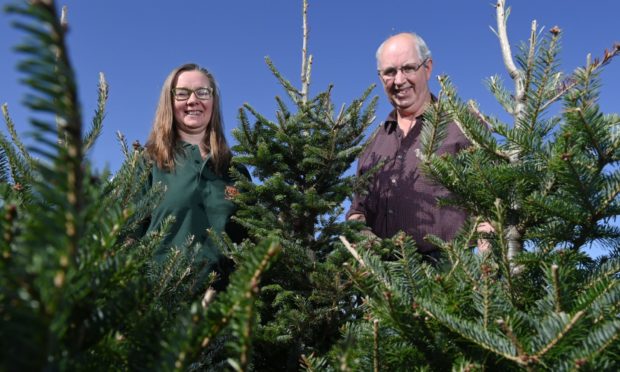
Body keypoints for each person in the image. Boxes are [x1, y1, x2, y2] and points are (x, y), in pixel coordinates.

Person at [347, 32, 470, 259]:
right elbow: (357, 211)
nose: (399, 80)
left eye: (408, 68)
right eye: (390, 72)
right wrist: (365, 241)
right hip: (384, 278)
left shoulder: (462, 127)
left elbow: (493, 203)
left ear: (428, 67)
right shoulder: (373, 144)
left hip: (451, 276)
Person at [141, 63, 247, 291]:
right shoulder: (148, 161)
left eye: (202, 92)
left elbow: (250, 242)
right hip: (156, 305)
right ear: (169, 102)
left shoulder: (234, 170)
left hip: (222, 310)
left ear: (213, 101)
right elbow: (122, 235)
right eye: (182, 93)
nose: (193, 100)